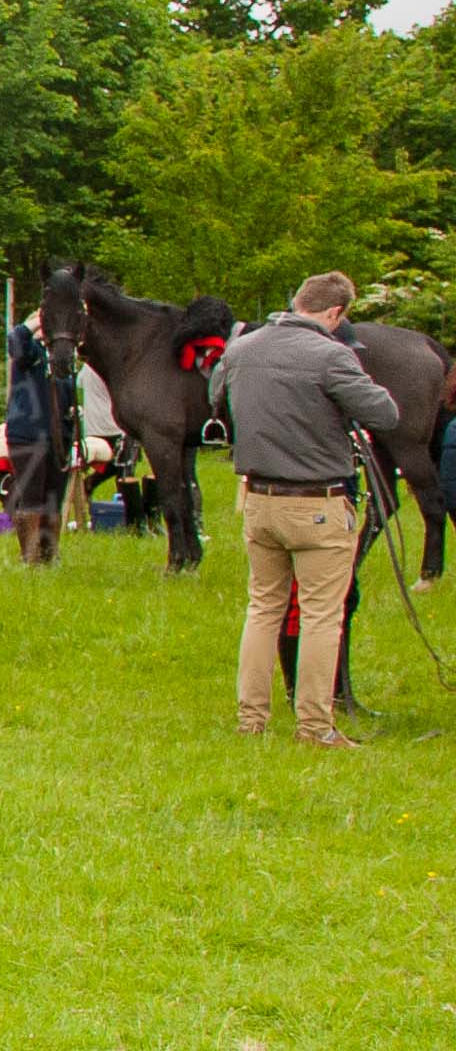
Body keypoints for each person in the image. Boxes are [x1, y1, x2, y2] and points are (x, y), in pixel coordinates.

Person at [209, 271, 398, 748]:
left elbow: (216, 399)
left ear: (297, 302)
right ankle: (314, 727)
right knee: (320, 615)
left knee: (263, 608)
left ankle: (251, 719)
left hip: (257, 499)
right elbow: (386, 413)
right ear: (335, 313)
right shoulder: (332, 355)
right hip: (317, 501)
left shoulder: (241, 349)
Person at [2, 310, 75, 565]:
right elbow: (16, 340)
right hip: (28, 435)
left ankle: (50, 555)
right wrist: (34, 323)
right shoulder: (30, 351)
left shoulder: (63, 359)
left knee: (54, 496)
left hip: (59, 437)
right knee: (32, 496)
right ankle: (30, 559)